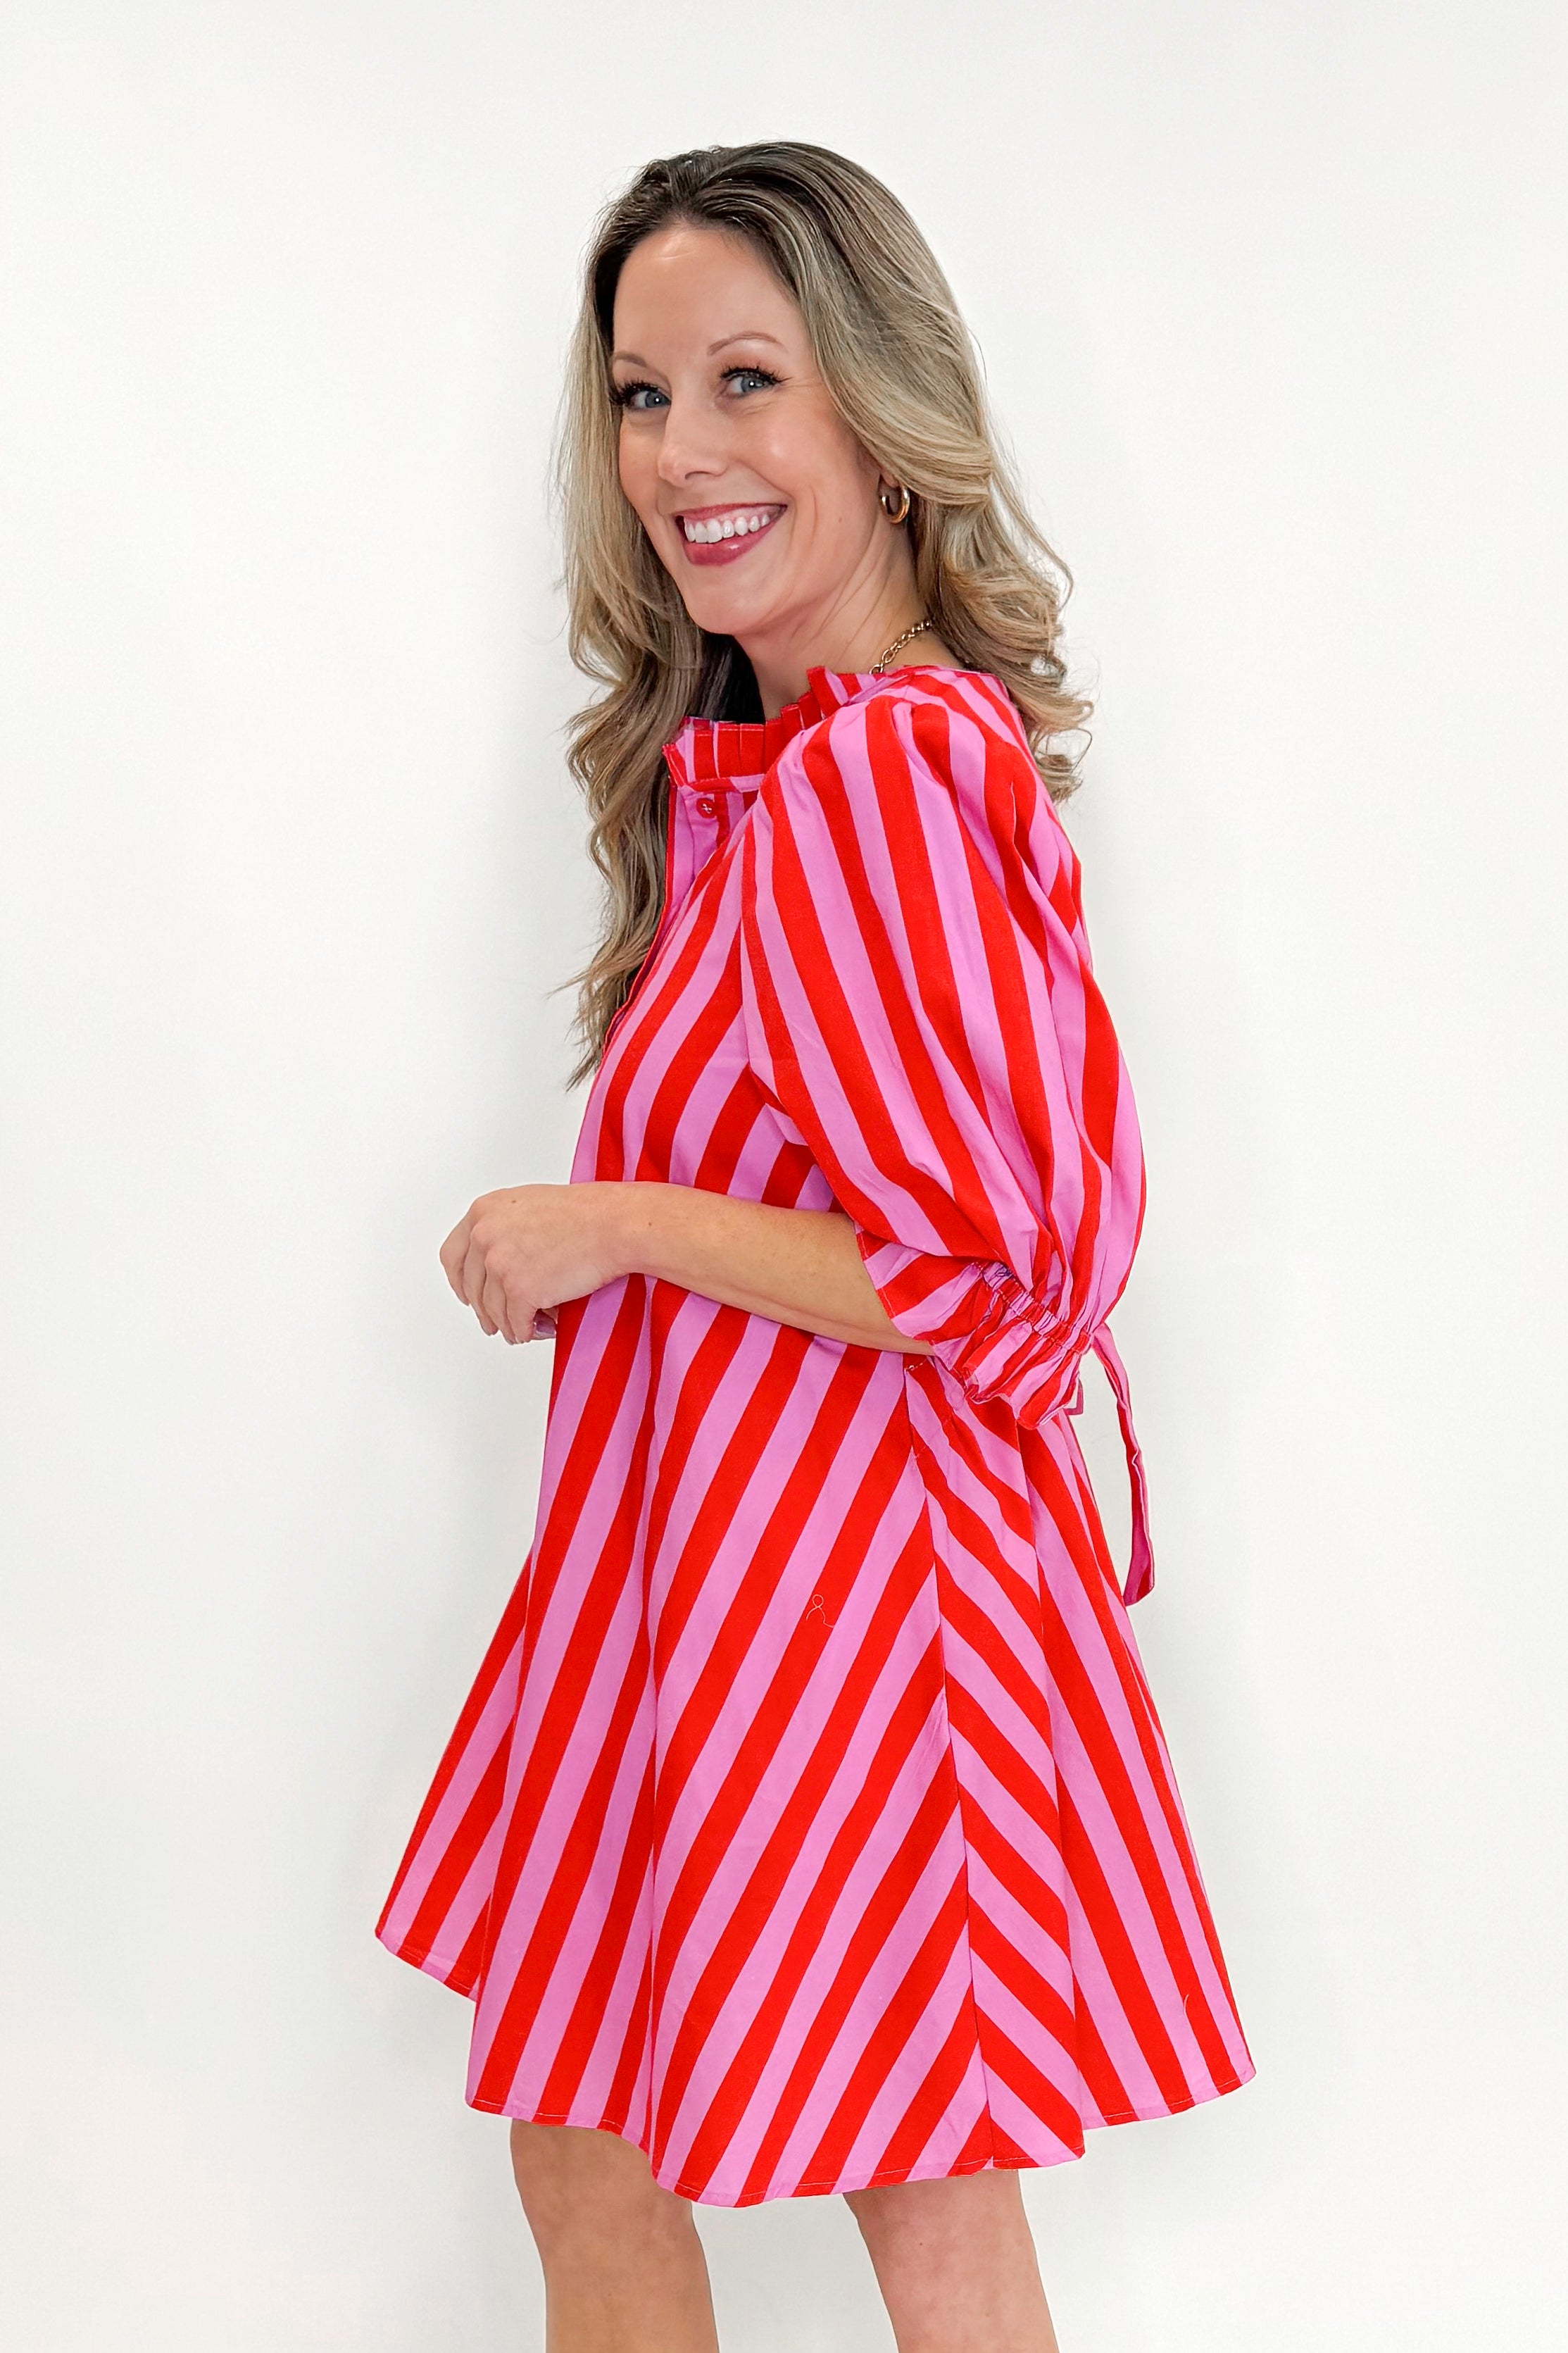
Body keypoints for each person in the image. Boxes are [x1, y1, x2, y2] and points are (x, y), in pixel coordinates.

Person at [377, 141, 1253, 2353]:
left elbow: (987, 1279)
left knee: (915, 2205)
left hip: (850, 1622)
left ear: (875, 411)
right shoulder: (783, 775)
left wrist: (609, 1225)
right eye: (643, 394)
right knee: (586, 2134)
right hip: (725, 1591)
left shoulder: (876, 779)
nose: (683, 454)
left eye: (745, 381)